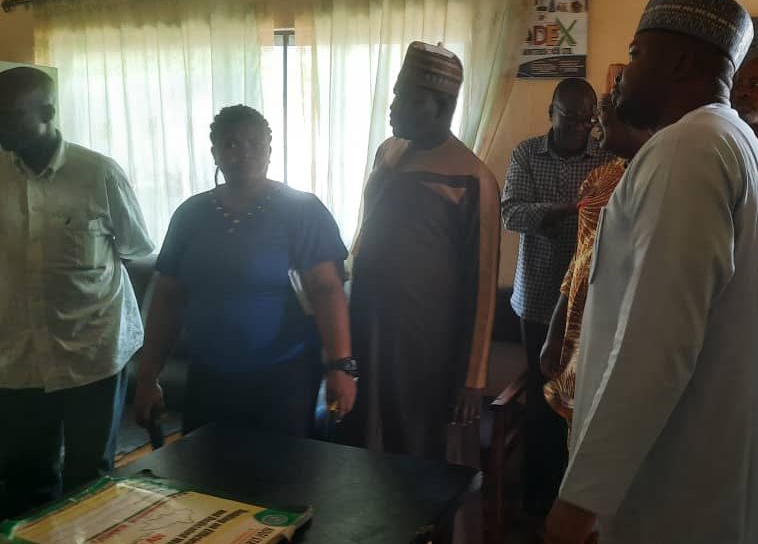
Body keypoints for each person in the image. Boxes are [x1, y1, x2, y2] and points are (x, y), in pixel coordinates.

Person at [544, 0, 758, 544]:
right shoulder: (744, 148)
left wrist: (581, 499)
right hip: (718, 465)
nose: (623, 75)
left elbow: (657, 337)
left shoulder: (689, 147)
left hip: (679, 477)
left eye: (635, 54)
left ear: (679, 62)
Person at [133, 105, 355, 439]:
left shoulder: (303, 211)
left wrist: (341, 367)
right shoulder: (190, 215)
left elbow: (327, 290)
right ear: (215, 153)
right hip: (209, 375)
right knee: (204, 468)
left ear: (269, 149)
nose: (244, 153)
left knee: (282, 469)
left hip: (284, 378)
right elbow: (167, 298)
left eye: (255, 143)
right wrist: (148, 376)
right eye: (232, 144)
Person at [0, 67, 154, 518]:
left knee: (90, 481)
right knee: (25, 478)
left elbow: (136, 251)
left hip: (93, 353)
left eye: (8, 115)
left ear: (48, 112)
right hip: (17, 356)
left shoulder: (98, 174)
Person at [340, 41, 500, 468]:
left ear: (441, 106)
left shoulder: (473, 178)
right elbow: (367, 230)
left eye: (407, 98)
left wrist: (473, 378)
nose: (392, 106)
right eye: (395, 94)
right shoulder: (387, 152)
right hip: (369, 325)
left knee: (415, 448)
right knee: (361, 439)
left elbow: (483, 286)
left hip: (426, 343)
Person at [501, 77, 612, 515]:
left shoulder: (607, 157)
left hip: (588, 304)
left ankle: (574, 502)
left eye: (587, 119)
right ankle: (537, 505)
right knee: (541, 402)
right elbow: (511, 213)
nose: (580, 127)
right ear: (551, 112)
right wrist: (565, 212)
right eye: (570, 117)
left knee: (582, 404)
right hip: (537, 299)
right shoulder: (527, 153)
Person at [540, 84, 653, 424]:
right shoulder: (600, 177)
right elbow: (580, 259)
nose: (594, 125)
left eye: (602, 117)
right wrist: (556, 329)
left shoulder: (658, 181)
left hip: (622, 329)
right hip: (579, 323)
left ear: (633, 123)